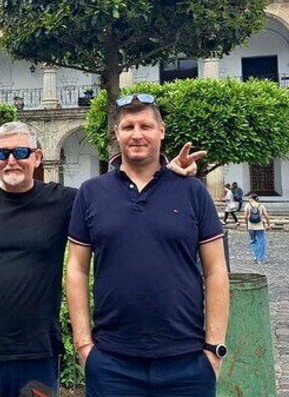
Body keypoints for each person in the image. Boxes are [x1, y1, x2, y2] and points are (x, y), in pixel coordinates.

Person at [0, 121, 206, 396]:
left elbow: (117, 200)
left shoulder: (65, 200)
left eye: (20, 152)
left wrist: (164, 174)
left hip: (38, 351)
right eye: (2, 153)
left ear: (38, 157)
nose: (11, 161)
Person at [67, 94, 229, 396]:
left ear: (162, 131)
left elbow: (216, 270)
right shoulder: (91, 193)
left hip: (187, 361)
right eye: (128, 127)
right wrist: (83, 345)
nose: (137, 134)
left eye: (146, 125)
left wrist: (213, 349)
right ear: (116, 134)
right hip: (112, 362)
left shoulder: (193, 192)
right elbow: (76, 269)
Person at [244, 193, 271, 263]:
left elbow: (245, 216)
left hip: (251, 226)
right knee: (261, 241)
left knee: (253, 241)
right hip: (260, 226)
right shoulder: (261, 205)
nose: (248, 200)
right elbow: (266, 216)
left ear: (252, 198)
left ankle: (255, 256)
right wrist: (268, 225)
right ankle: (261, 258)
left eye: (249, 198)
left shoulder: (247, 206)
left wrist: (246, 224)